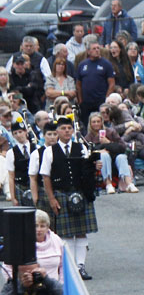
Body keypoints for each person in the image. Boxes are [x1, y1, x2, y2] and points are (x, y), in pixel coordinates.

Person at [40, 116, 100, 279]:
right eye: (63, 129)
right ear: (57, 131)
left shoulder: (81, 148)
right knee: (65, 235)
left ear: (72, 131)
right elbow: (46, 177)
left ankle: (80, 266)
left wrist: (95, 166)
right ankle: (69, 267)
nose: (67, 131)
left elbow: (87, 171)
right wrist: (52, 199)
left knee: (81, 233)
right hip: (61, 194)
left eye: (69, 128)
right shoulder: (49, 151)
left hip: (80, 193)